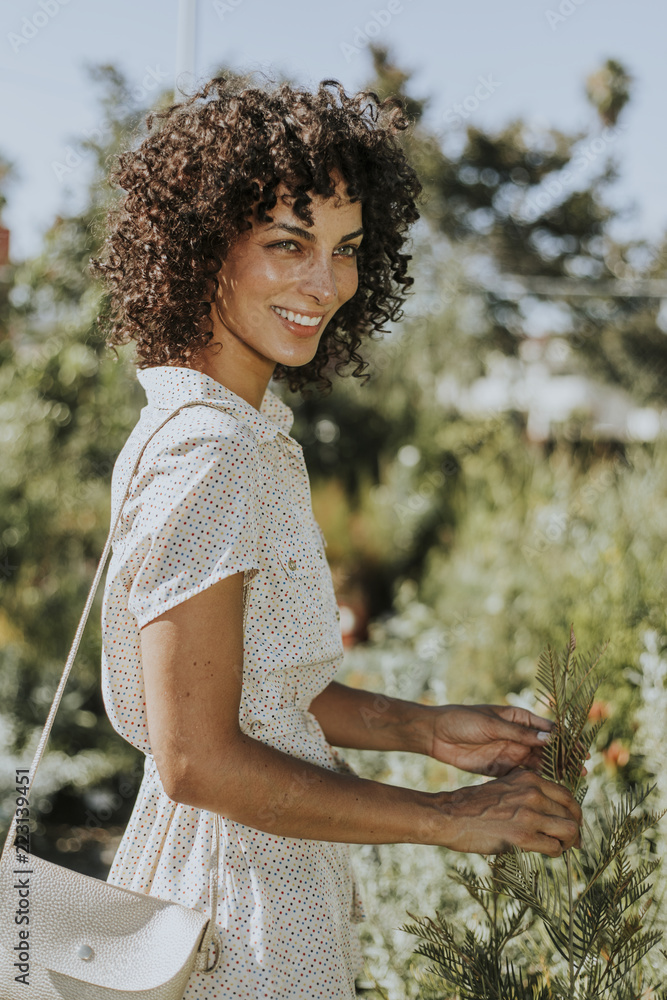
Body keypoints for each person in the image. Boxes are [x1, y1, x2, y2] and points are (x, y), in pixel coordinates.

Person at [91, 74, 582, 999]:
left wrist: (424, 728)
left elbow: (260, 698)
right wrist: (448, 819)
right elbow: (197, 759)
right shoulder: (208, 452)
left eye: (347, 249)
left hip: (255, 884)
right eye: (288, 244)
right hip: (241, 919)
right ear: (205, 250)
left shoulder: (229, 432)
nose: (326, 283)